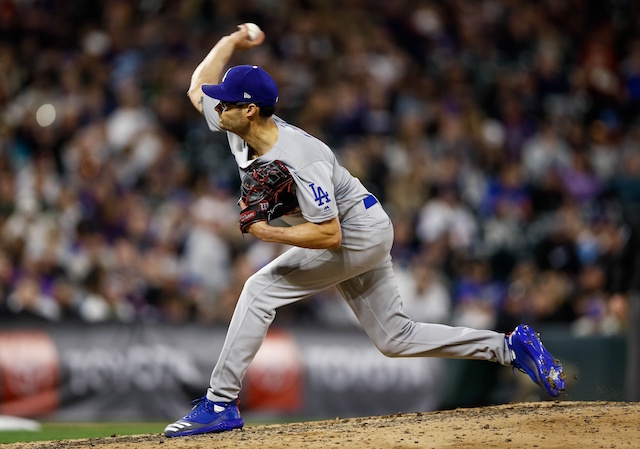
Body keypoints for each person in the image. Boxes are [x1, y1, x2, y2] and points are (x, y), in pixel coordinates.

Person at [163, 24, 565, 437]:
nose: (216, 107)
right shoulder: (236, 123)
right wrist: (231, 41)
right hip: (357, 229)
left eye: (225, 103)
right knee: (396, 337)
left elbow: (330, 236)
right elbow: (198, 86)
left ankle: (219, 401)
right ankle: (509, 347)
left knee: (258, 290)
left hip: (357, 231)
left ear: (249, 110)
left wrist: (268, 233)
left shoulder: (304, 159)